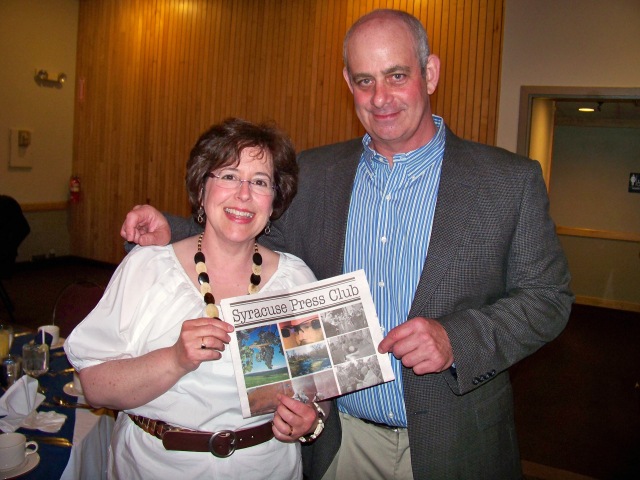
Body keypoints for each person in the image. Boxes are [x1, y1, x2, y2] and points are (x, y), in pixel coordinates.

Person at [120, 9, 573, 480]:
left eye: (397, 75)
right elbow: (253, 236)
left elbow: (548, 298)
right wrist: (172, 231)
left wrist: (456, 338)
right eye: (364, 80)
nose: (381, 98)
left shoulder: (507, 182)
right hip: (340, 439)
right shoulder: (315, 173)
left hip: (456, 439)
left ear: (430, 73)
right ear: (347, 82)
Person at [65, 118, 324, 479]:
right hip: (153, 467)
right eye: (229, 176)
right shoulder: (148, 268)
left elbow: (318, 387)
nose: (244, 194)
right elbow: (94, 387)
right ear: (202, 189)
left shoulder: (295, 280)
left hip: (266, 468)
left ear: (274, 201)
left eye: (260, 182)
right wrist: (174, 359)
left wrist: (310, 418)